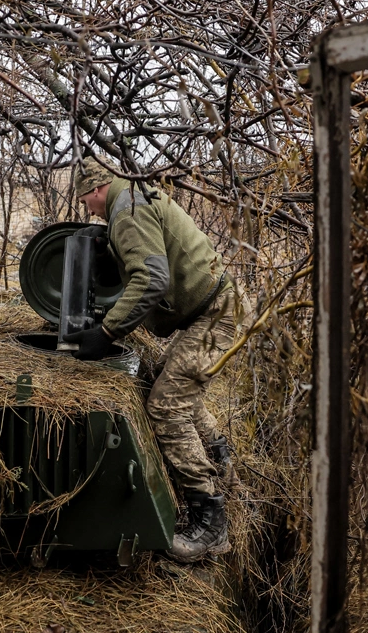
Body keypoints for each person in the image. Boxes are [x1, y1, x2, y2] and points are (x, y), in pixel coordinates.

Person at [63, 156, 243, 563]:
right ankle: (224, 472)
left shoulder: (125, 210)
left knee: (165, 407)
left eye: (85, 201)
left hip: (215, 315)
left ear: (94, 190)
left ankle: (211, 522)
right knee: (170, 383)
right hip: (217, 306)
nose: (88, 210)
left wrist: (106, 332)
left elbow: (152, 279)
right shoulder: (133, 196)